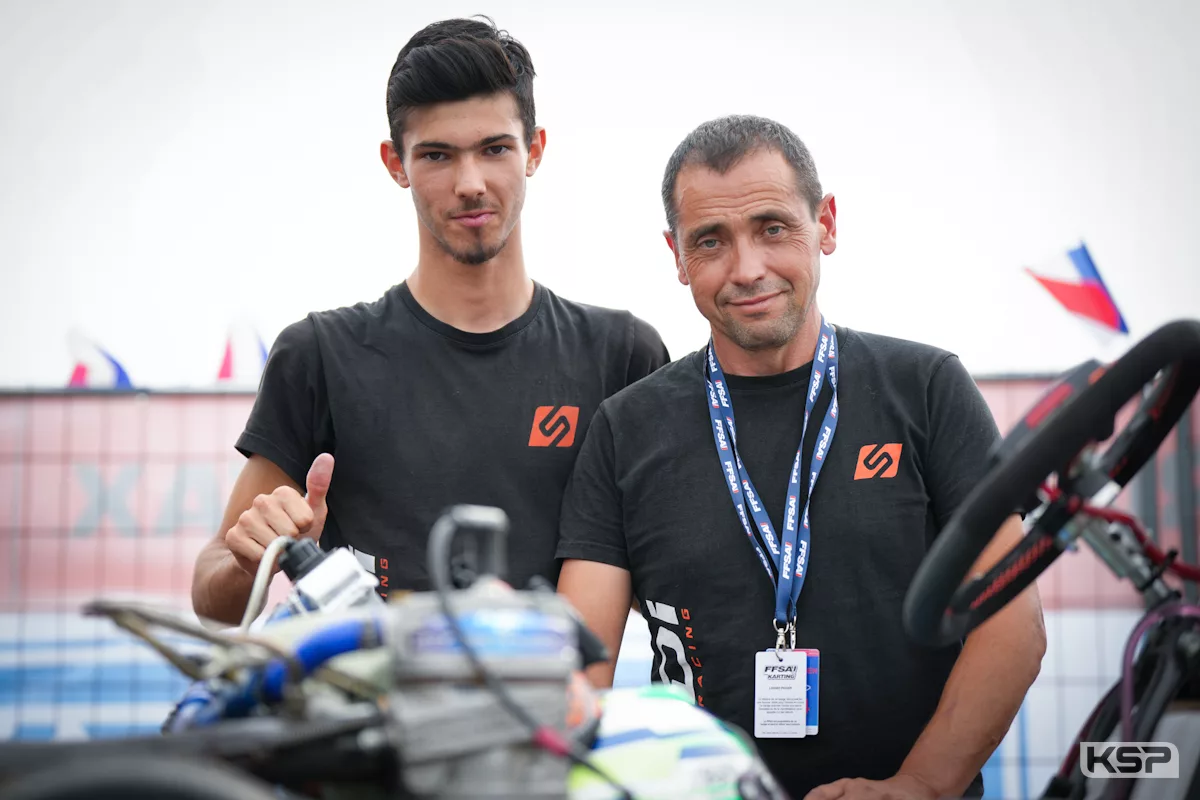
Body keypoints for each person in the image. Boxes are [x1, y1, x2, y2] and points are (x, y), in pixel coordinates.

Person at [555, 115, 1046, 800]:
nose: (748, 268)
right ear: (676, 255)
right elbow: (578, 667)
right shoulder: (625, 429)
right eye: (711, 241)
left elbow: (1012, 622)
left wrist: (920, 786)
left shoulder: (927, 388)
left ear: (827, 224)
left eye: (773, 227)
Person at [191, 16, 669, 626]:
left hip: (550, 712)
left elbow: (674, 575)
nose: (470, 184)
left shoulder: (621, 355)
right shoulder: (321, 356)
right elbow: (213, 601)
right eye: (438, 155)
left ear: (536, 150)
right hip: (374, 717)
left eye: (495, 148)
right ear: (396, 163)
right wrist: (250, 557)